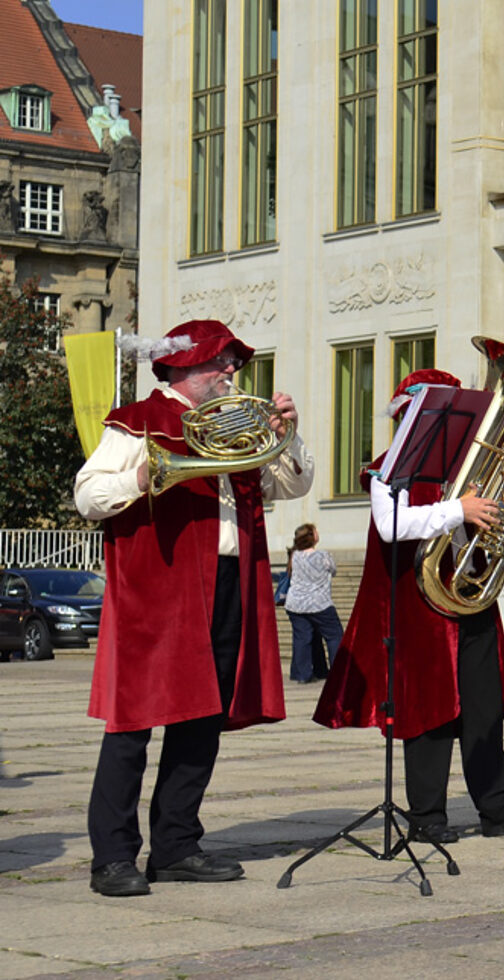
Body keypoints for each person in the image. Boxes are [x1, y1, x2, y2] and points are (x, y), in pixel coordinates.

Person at [75, 319, 314, 897]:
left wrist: (290, 434)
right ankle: (112, 856)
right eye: (221, 363)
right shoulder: (137, 421)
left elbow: (292, 486)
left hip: (229, 578)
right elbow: (87, 495)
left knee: (202, 718)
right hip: (159, 586)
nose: (232, 372)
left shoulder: (237, 422)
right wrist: (142, 474)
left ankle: (177, 844)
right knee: (132, 723)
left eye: (234, 363)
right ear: (183, 367)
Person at [315, 369, 504, 844]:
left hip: (468, 598)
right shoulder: (388, 468)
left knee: (483, 709)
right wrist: (461, 510)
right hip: (417, 608)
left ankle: (497, 807)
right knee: (427, 712)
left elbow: (479, 524)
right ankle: (427, 818)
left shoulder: (468, 469)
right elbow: (391, 523)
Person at [285, 523, 344, 684]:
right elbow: (333, 571)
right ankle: (339, 672)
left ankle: (303, 674)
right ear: (312, 537)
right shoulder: (323, 556)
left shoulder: (294, 555)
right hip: (319, 603)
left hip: (296, 603)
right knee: (334, 636)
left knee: (302, 639)